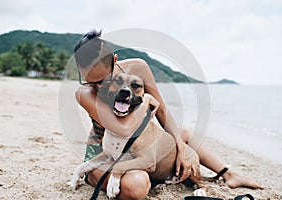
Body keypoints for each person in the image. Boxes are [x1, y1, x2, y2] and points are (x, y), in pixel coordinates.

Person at [73, 29, 263, 200]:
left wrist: (180, 148)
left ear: (114, 60)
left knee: (183, 134)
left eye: (103, 79)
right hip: (107, 151)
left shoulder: (137, 67)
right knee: (137, 186)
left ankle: (228, 174)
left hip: (138, 145)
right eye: (90, 80)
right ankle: (125, 176)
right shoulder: (84, 93)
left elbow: (162, 110)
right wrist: (146, 100)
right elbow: (123, 128)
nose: (98, 86)